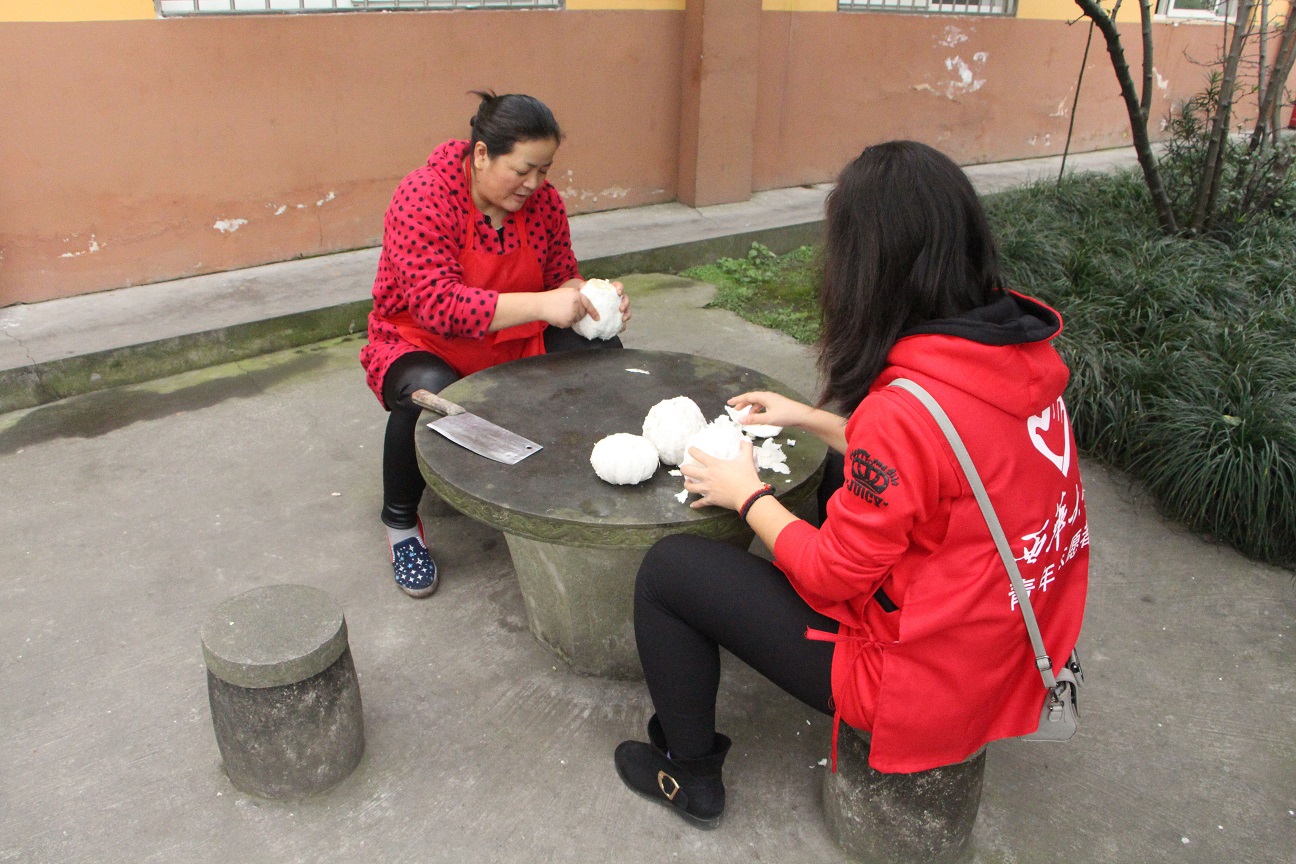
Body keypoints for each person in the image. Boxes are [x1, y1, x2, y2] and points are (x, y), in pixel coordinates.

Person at [613, 140, 1089, 829]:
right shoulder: (1019, 356)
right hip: (1014, 638)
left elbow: (831, 574)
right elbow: (944, 462)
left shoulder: (903, 413)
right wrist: (809, 418)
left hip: (924, 681)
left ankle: (687, 772)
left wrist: (748, 495)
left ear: (868, 267)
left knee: (669, 572)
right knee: (838, 470)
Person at [361, 91, 629, 598]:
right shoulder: (424, 196)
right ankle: (401, 524)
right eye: (523, 170)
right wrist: (543, 304)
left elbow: (562, 277)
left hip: (510, 340)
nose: (535, 184)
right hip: (422, 342)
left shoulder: (544, 204)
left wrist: (595, 299)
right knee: (428, 393)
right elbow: (437, 305)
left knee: (599, 354)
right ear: (482, 154)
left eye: (544, 171)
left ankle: (570, 476)